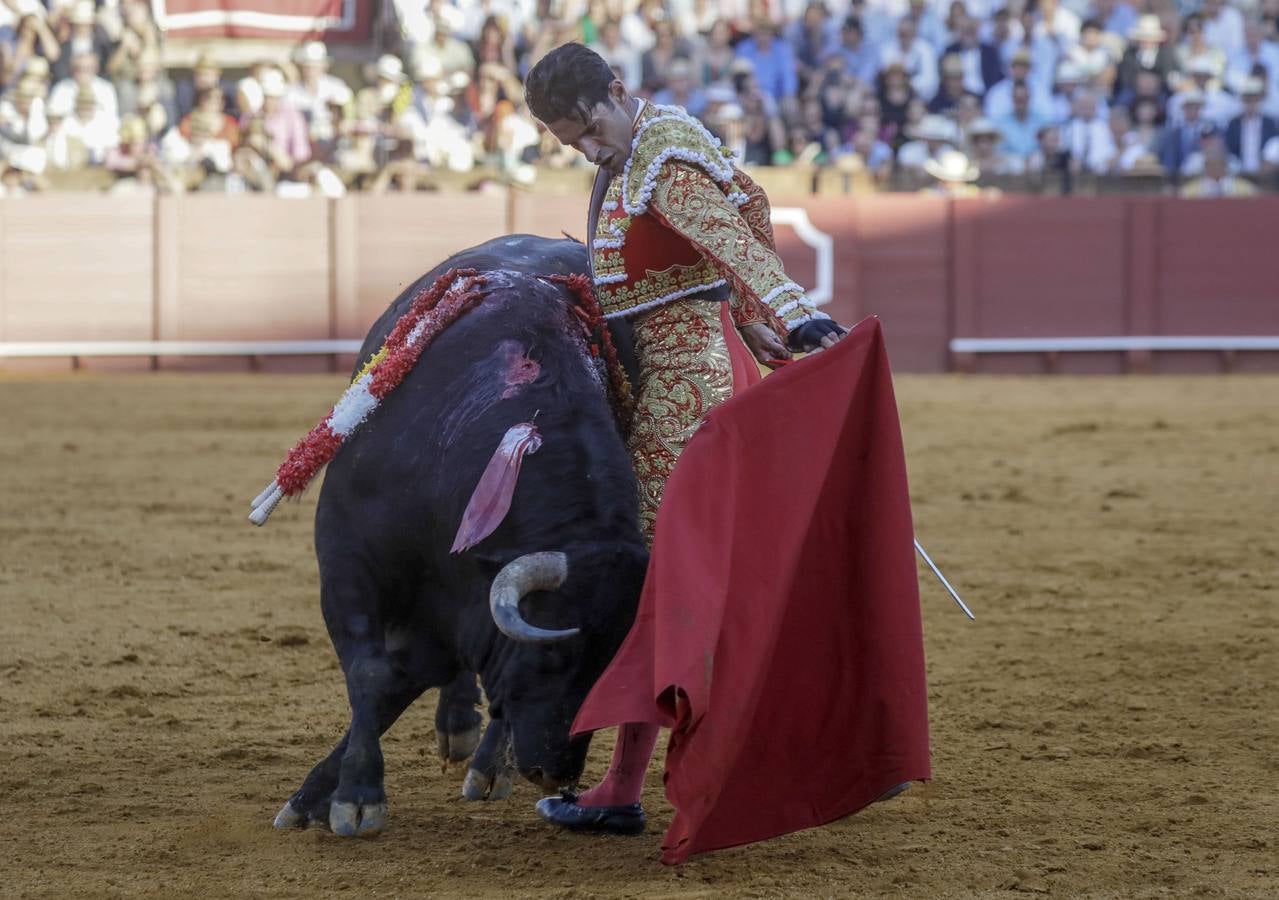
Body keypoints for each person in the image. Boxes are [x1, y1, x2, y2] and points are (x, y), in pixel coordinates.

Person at [522, 41, 857, 839]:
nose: (588, 150)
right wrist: (746, 319)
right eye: (571, 144)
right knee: (669, 578)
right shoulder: (647, 148)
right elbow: (739, 216)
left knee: (665, 578)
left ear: (615, 90)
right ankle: (623, 783)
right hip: (680, 370)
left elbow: (730, 236)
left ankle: (670, 776)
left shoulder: (662, 157)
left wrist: (789, 311)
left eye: (588, 131)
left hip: (687, 388)